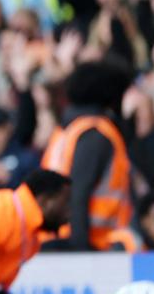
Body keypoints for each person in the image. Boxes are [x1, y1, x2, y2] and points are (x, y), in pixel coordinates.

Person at [41, 61, 133, 251]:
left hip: (55, 238)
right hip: (86, 243)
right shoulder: (96, 133)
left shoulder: (67, 130)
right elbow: (78, 192)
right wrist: (81, 251)